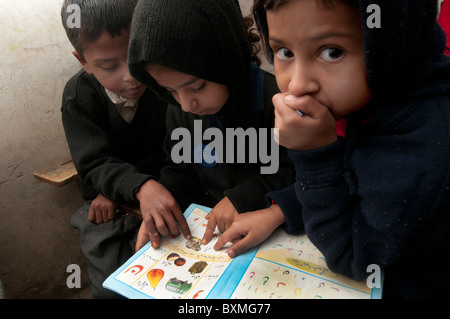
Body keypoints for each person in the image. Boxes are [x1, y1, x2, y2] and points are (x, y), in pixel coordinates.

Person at [214, 0, 450, 298]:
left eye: (332, 52)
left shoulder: (425, 145)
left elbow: (353, 255)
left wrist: (315, 155)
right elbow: (355, 180)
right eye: (285, 52)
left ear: (392, 39)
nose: (297, 86)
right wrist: (283, 210)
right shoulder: (380, 98)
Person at [127, 0, 295, 251]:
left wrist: (242, 198)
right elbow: (180, 169)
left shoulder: (280, 104)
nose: (185, 104)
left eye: (196, 87)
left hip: (277, 233)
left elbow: (299, 174)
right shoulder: (179, 111)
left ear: (228, 62)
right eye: (170, 90)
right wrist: (164, 207)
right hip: (214, 239)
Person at [60, 0, 167, 298]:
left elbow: (175, 146)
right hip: (105, 202)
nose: (131, 75)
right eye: (109, 66)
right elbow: (94, 163)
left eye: (136, 57)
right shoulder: (79, 96)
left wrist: (142, 185)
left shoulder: (162, 83)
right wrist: (131, 186)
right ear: (83, 61)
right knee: (112, 289)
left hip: (163, 186)